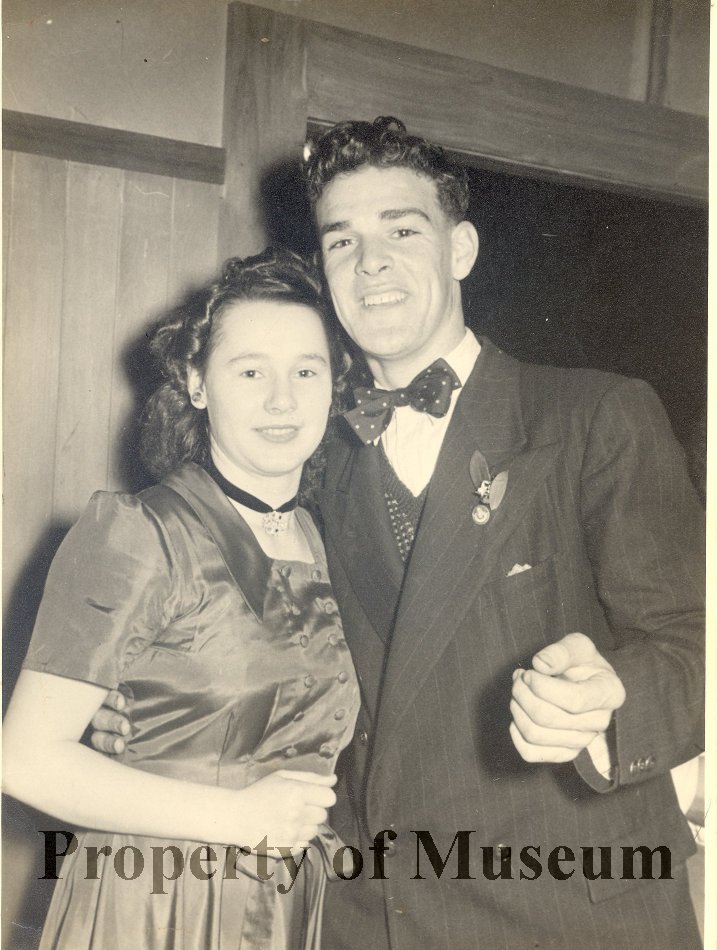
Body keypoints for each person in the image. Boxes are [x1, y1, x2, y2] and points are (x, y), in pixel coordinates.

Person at [93, 118, 705, 949]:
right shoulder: (304, 457)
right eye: (341, 240)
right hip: (378, 914)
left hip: (570, 909)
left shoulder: (593, 415)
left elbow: (694, 642)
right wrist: (149, 705)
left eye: (402, 231)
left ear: (461, 250)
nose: (370, 262)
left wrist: (613, 698)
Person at [3, 248, 361, 950]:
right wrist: (237, 819)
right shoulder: (140, 533)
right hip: (153, 903)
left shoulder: (324, 540)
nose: (282, 400)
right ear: (197, 384)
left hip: (282, 907)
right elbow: (23, 760)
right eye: (250, 371)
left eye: (306, 371)